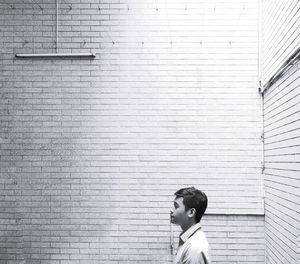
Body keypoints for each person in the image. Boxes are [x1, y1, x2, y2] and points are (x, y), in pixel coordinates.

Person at [170, 187, 211, 264]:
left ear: (191, 212)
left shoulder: (195, 247)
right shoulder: (189, 240)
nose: (171, 210)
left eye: (176, 206)